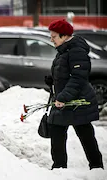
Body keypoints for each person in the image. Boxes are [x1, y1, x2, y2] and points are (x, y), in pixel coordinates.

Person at [45, 19, 104, 170]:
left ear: (64, 36)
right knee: (57, 132)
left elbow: (78, 77)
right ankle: (59, 168)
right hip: (65, 99)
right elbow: (67, 72)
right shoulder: (63, 50)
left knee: (85, 134)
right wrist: (54, 79)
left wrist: (63, 97)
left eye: (54, 36)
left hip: (78, 101)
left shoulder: (76, 50)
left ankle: (96, 167)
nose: (51, 40)